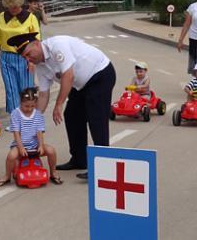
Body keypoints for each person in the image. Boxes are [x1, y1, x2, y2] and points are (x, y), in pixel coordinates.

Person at [7, 32, 116, 180]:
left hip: (100, 75)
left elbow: (68, 75)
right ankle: (79, 159)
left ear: (37, 44)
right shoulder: (40, 67)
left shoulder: (57, 45)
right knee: (72, 116)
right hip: (80, 85)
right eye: (24, 57)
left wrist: (59, 104)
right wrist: (32, 119)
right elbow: (44, 95)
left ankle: (104, 167)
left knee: (96, 119)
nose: (28, 59)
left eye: (28, 53)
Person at [0, 87, 62, 186]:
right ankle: (7, 176)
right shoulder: (15, 114)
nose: (29, 109)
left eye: (32, 106)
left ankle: (53, 172)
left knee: (51, 151)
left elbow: (39, 132)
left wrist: (41, 146)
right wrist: (21, 147)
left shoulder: (38, 114)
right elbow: (16, 133)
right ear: (20, 102)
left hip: (34, 145)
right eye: (26, 106)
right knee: (11, 156)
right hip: (19, 145)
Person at [0, 0, 41, 114]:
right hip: (6, 58)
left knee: (26, 89)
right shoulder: (2, 16)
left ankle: (29, 118)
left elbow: (36, 40)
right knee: (11, 90)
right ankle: (16, 120)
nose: (13, 9)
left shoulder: (30, 17)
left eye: (15, 6)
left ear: (20, 4)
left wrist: (32, 61)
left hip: (24, 58)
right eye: (10, 7)